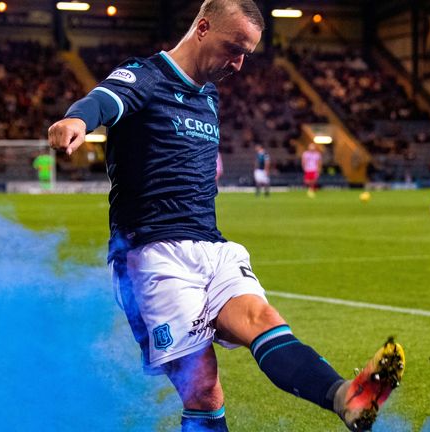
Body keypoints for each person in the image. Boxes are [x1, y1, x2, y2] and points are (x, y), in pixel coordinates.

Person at [47, 1, 404, 431]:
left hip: (213, 247)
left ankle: (346, 396)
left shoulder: (210, 95)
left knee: (264, 320)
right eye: (233, 48)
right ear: (201, 27)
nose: (238, 63)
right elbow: (103, 100)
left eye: (246, 54)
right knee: (204, 390)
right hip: (152, 255)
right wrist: (76, 120)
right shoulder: (146, 76)